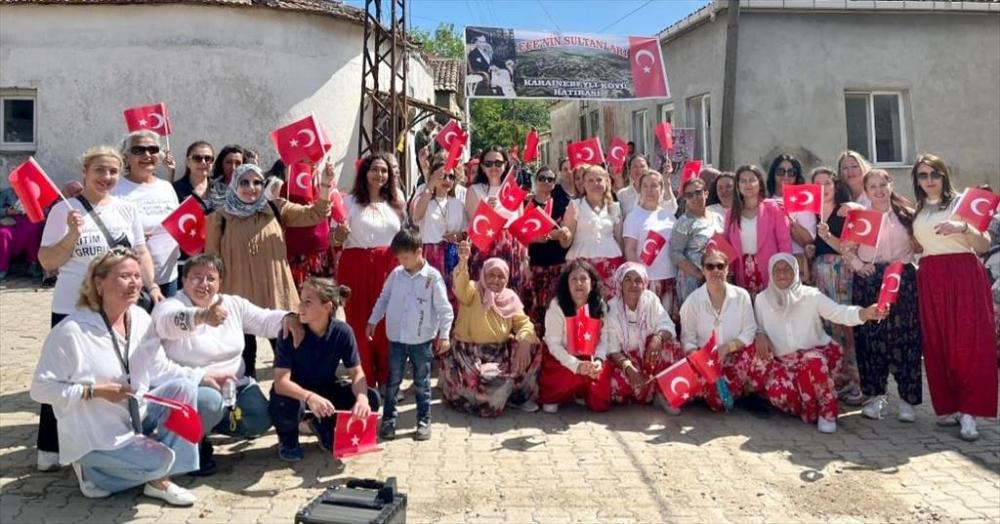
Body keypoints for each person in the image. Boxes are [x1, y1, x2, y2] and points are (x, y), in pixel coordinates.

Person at [30, 249, 213, 505]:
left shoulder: (140, 318)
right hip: (97, 435)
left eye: (137, 276)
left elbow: (158, 367)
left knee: (184, 389)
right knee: (162, 459)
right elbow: (40, 389)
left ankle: (155, 476)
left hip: (136, 417)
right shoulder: (71, 331)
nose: (134, 283)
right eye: (125, 276)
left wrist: (199, 375)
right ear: (99, 283)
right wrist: (93, 391)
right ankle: (94, 471)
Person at [35, 146, 159, 472]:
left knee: (107, 372)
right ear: (85, 172)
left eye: (113, 171)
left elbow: (141, 252)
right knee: (63, 374)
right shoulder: (64, 210)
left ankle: (101, 441)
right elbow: (47, 261)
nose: (106, 177)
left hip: (114, 308)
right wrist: (72, 235)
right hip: (72, 307)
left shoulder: (127, 209)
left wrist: (152, 286)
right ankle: (50, 446)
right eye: (99, 170)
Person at [152, 254, 303, 474]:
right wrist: (202, 317)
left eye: (211, 278)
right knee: (209, 402)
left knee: (259, 418)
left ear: (220, 282)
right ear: (184, 280)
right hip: (192, 386)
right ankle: (191, 444)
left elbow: (263, 320)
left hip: (234, 386)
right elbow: (167, 323)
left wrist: (287, 318)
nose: (204, 284)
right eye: (197, 277)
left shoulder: (232, 304)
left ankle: (209, 425)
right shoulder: (170, 305)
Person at [205, 163, 333, 379]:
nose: (251, 188)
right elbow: (211, 262)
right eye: (244, 182)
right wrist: (212, 299)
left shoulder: (276, 208)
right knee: (244, 361)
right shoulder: (219, 218)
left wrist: (326, 185)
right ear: (234, 185)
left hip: (275, 293)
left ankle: (291, 397)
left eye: (257, 182)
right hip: (238, 295)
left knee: (289, 355)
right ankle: (247, 398)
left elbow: (316, 214)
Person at [911, 153, 996, 441]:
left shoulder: (962, 202)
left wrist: (963, 227)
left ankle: (970, 411)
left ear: (944, 175)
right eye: (923, 175)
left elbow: (983, 243)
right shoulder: (918, 209)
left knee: (967, 343)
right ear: (917, 180)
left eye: (934, 174)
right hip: (931, 275)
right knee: (938, 342)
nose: (929, 180)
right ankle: (950, 405)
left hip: (963, 272)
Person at [754, 254, 885, 433]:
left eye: (787, 269)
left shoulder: (811, 295)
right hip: (785, 362)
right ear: (770, 273)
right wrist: (760, 334)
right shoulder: (762, 299)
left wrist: (864, 314)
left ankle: (827, 410)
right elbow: (759, 326)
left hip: (818, 356)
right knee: (777, 392)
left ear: (796, 272)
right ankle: (810, 408)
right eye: (777, 270)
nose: (782, 274)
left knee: (813, 361)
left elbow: (838, 312)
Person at [836, 169, 924, 421]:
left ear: (890, 185)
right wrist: (858, 265)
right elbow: (846, 247)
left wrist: (916, 246)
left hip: (901, 279)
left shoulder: (906, 215)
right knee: (870, 339)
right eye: (872, 186)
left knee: (905, 338)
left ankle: (908, 400)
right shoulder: (861, 217)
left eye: (882, 184)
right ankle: (875, 397)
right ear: (866, 190)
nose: (878, 190)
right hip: (869, 279)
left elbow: (919, 245)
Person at [270, 277, 380, 461]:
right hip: (295, 393)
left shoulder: (342, 332)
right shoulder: (290, 332)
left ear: (327, 307)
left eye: (308, 302)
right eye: (301, 300)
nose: (300, 306)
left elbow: (356, 373)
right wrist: (310, 397)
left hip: (326, 388)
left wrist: (362, 399)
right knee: (284, 403)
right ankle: (288, 440)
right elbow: (281, 383)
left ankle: (324, 426)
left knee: (371, 397)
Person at [368, 228, 453, 441]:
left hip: (421, 341)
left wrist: (444, 335)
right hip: (396, 339)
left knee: (422, 383)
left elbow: (445, 309)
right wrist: (373, 320)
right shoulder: (396, 275)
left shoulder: (432, 278)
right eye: (399, 258)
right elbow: (384, 298)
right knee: (392, 382)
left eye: (405, 257)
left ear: (418, 252)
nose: (402, 262)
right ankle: (388, 421)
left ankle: (423, 422)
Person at [330, 152, 405, 389]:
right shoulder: (349, 202)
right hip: (356, 265)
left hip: (389, 266)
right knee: (360, 321)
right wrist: (338, 234)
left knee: (387, 322)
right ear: (364, 172)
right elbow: (333, 239)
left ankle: (388, 381)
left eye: (384, 171)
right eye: (374, 169)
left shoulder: (395, 202)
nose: (379, 175)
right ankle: (366, 383)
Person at [440, 242, 540, 416]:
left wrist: (524, 341)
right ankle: (493, 394)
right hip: (468, 354)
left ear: (507, 278)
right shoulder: (472, 290)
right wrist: (463, 261)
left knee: (534, 346)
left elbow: (524, 323)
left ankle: (517, 396)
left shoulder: (510, 297)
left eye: (501, 276)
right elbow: (460, 287)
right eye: (491, 275)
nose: (495, 280)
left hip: (498, 353)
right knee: (482, 388)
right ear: (483, 274)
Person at [678, 250, 762, 412]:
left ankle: (749, 394)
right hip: (706, 359)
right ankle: (726, 392)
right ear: (703, 270)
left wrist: (726, 348)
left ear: (727, 269)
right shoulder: (692, 302)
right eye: (710, 266)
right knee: (718, 404)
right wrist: (701, 359)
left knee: (762, 351)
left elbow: (749, 331)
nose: (715, 270)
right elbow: (688, 339)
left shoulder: (741, 296)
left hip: (735, 355)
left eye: (720, 266)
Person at [810, 167, 863, 405]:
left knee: (845, 324)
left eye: (827, 183)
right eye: (817, 184)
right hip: (818, 273)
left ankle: (857, 381)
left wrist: (827, 236)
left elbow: (848, 248)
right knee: (827, 326)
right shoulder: (810, 213)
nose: (823, 188)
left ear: (835, 186)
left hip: (841, 272)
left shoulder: (845, 211)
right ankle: (838, 379)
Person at [604, 263, 683, 410]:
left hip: (650, 356)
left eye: (638, 280)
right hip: (626, 360)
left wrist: (657, 339)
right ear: (620, 283)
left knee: (670, 347)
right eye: (628, 279)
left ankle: (662, 395)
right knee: (613, 384)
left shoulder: (650, 299)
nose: (633, 285)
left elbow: (667, 326)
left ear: (644, 284)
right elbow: (612, 349)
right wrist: (629, 368)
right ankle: (647, 391)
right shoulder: (611, 308)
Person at [113, 130, 182, 298]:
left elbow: (178, 223)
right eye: (138, 150)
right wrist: (131, 236)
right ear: (126, 156)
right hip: (130, 280)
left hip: (168, 277)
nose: (147, 155)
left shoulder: (166, 187)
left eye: (153, 149)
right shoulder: (115, 188)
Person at [539, 260, 612, 413]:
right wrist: (576, 365)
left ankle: (580, 392)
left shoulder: (599, 305)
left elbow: (604, 339)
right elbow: (553, 344)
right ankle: (558, 395)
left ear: (592, 283)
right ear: (567, 284)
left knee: (599, 403)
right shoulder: (557, 306)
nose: (579, 283)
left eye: (584, 279)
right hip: (561, 357)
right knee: (562, 378)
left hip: (589, 356)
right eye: (574, 279)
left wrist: (598, 361)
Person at [463, 147, 528, 291]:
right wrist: (487, 211)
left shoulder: (513, 189)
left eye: (498, 163)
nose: (494, 167)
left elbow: (520, 226)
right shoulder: (474, 190)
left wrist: (525, 257)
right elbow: (474, 225)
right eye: (489, 163)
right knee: (485, 294)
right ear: (482, 166)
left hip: (511, 250)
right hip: (485, 249)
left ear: (505, 165)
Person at [723, 165, 792, 296]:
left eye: (752, 180)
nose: (747, 184)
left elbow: (784, 243)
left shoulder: (773, 208)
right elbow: (727, 247)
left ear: (759, 183)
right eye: (743, 181)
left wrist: (785, 269)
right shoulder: (731, 214)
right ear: (737, 186)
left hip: (771, 270)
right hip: (742, 272)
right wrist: (729, 274)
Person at [410, 156, 467, 312]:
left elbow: (465, 232)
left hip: (452, 255)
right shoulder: (424, 199)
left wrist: (457, 236)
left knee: (453, 300)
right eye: (442, 176)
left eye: (451, 177)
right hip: (430, 254)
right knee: (429, 300)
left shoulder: (458, 203)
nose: (447, 180)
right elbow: (416, 216)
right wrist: (430, 185)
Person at [559, 165, 624, 299]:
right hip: (581, 265)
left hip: (610, 263)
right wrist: (564, 235)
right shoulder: (575, 206)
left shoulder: (614, 208)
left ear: (607, 182)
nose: (595, 184)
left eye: (599, 180)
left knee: (610, 304)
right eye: (590, 180)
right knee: (582, 304)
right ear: (583, 184)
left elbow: (620, 240)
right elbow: (565, 243)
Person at [623, 170, 679, 315]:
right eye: (645, 186)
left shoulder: (669, 216)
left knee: (667, 322)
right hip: (647, 280)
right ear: (640, 190)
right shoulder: (633, 216)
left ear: (661, 189)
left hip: (669, 277)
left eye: (654, 186)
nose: (649, 190)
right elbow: (629, 249)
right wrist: (638, 277)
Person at [524, 166, 572, 335]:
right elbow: (519, 234)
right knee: (534, 309)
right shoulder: (526, 204)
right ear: (535, 181)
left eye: (550, 179)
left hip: (557, 264)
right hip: (534, 264)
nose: (546, 182)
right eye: (542, 178)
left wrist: (562, 235)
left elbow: (566, 234)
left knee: (556, 308)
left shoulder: (561, 204)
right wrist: (538, 237)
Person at [669, 177, 725, 306]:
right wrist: (700, 275)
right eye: (689, 195)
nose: (695, 197)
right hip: (693, 281)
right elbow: (675, 254)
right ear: (685, 198)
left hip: (717, 276)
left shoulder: (718, 217)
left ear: (706, 193)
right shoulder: (683, 223)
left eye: (698, 192)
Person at [766, 154, 817, 284]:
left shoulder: (802, 200)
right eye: (780, 171)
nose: (786, 176)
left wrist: (786, 218)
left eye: (791, 172)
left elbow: (808, 240)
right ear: (773, 173)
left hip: (796, 261)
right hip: (769, 260)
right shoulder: (765, 199)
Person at [0, 186, 44, 280]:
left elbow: (42, 210)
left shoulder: (33, 190)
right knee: (4, 233)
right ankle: (2, 268)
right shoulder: (6, 192)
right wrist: (7, 212)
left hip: (28, 220)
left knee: (34, 229)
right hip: (10, 221)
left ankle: (33, 264)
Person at [172, 141, 224, 212]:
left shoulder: (222, 189)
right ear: (188, 162)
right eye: (197, 158)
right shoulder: (175, 190)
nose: (203, 162)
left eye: (208, 158)